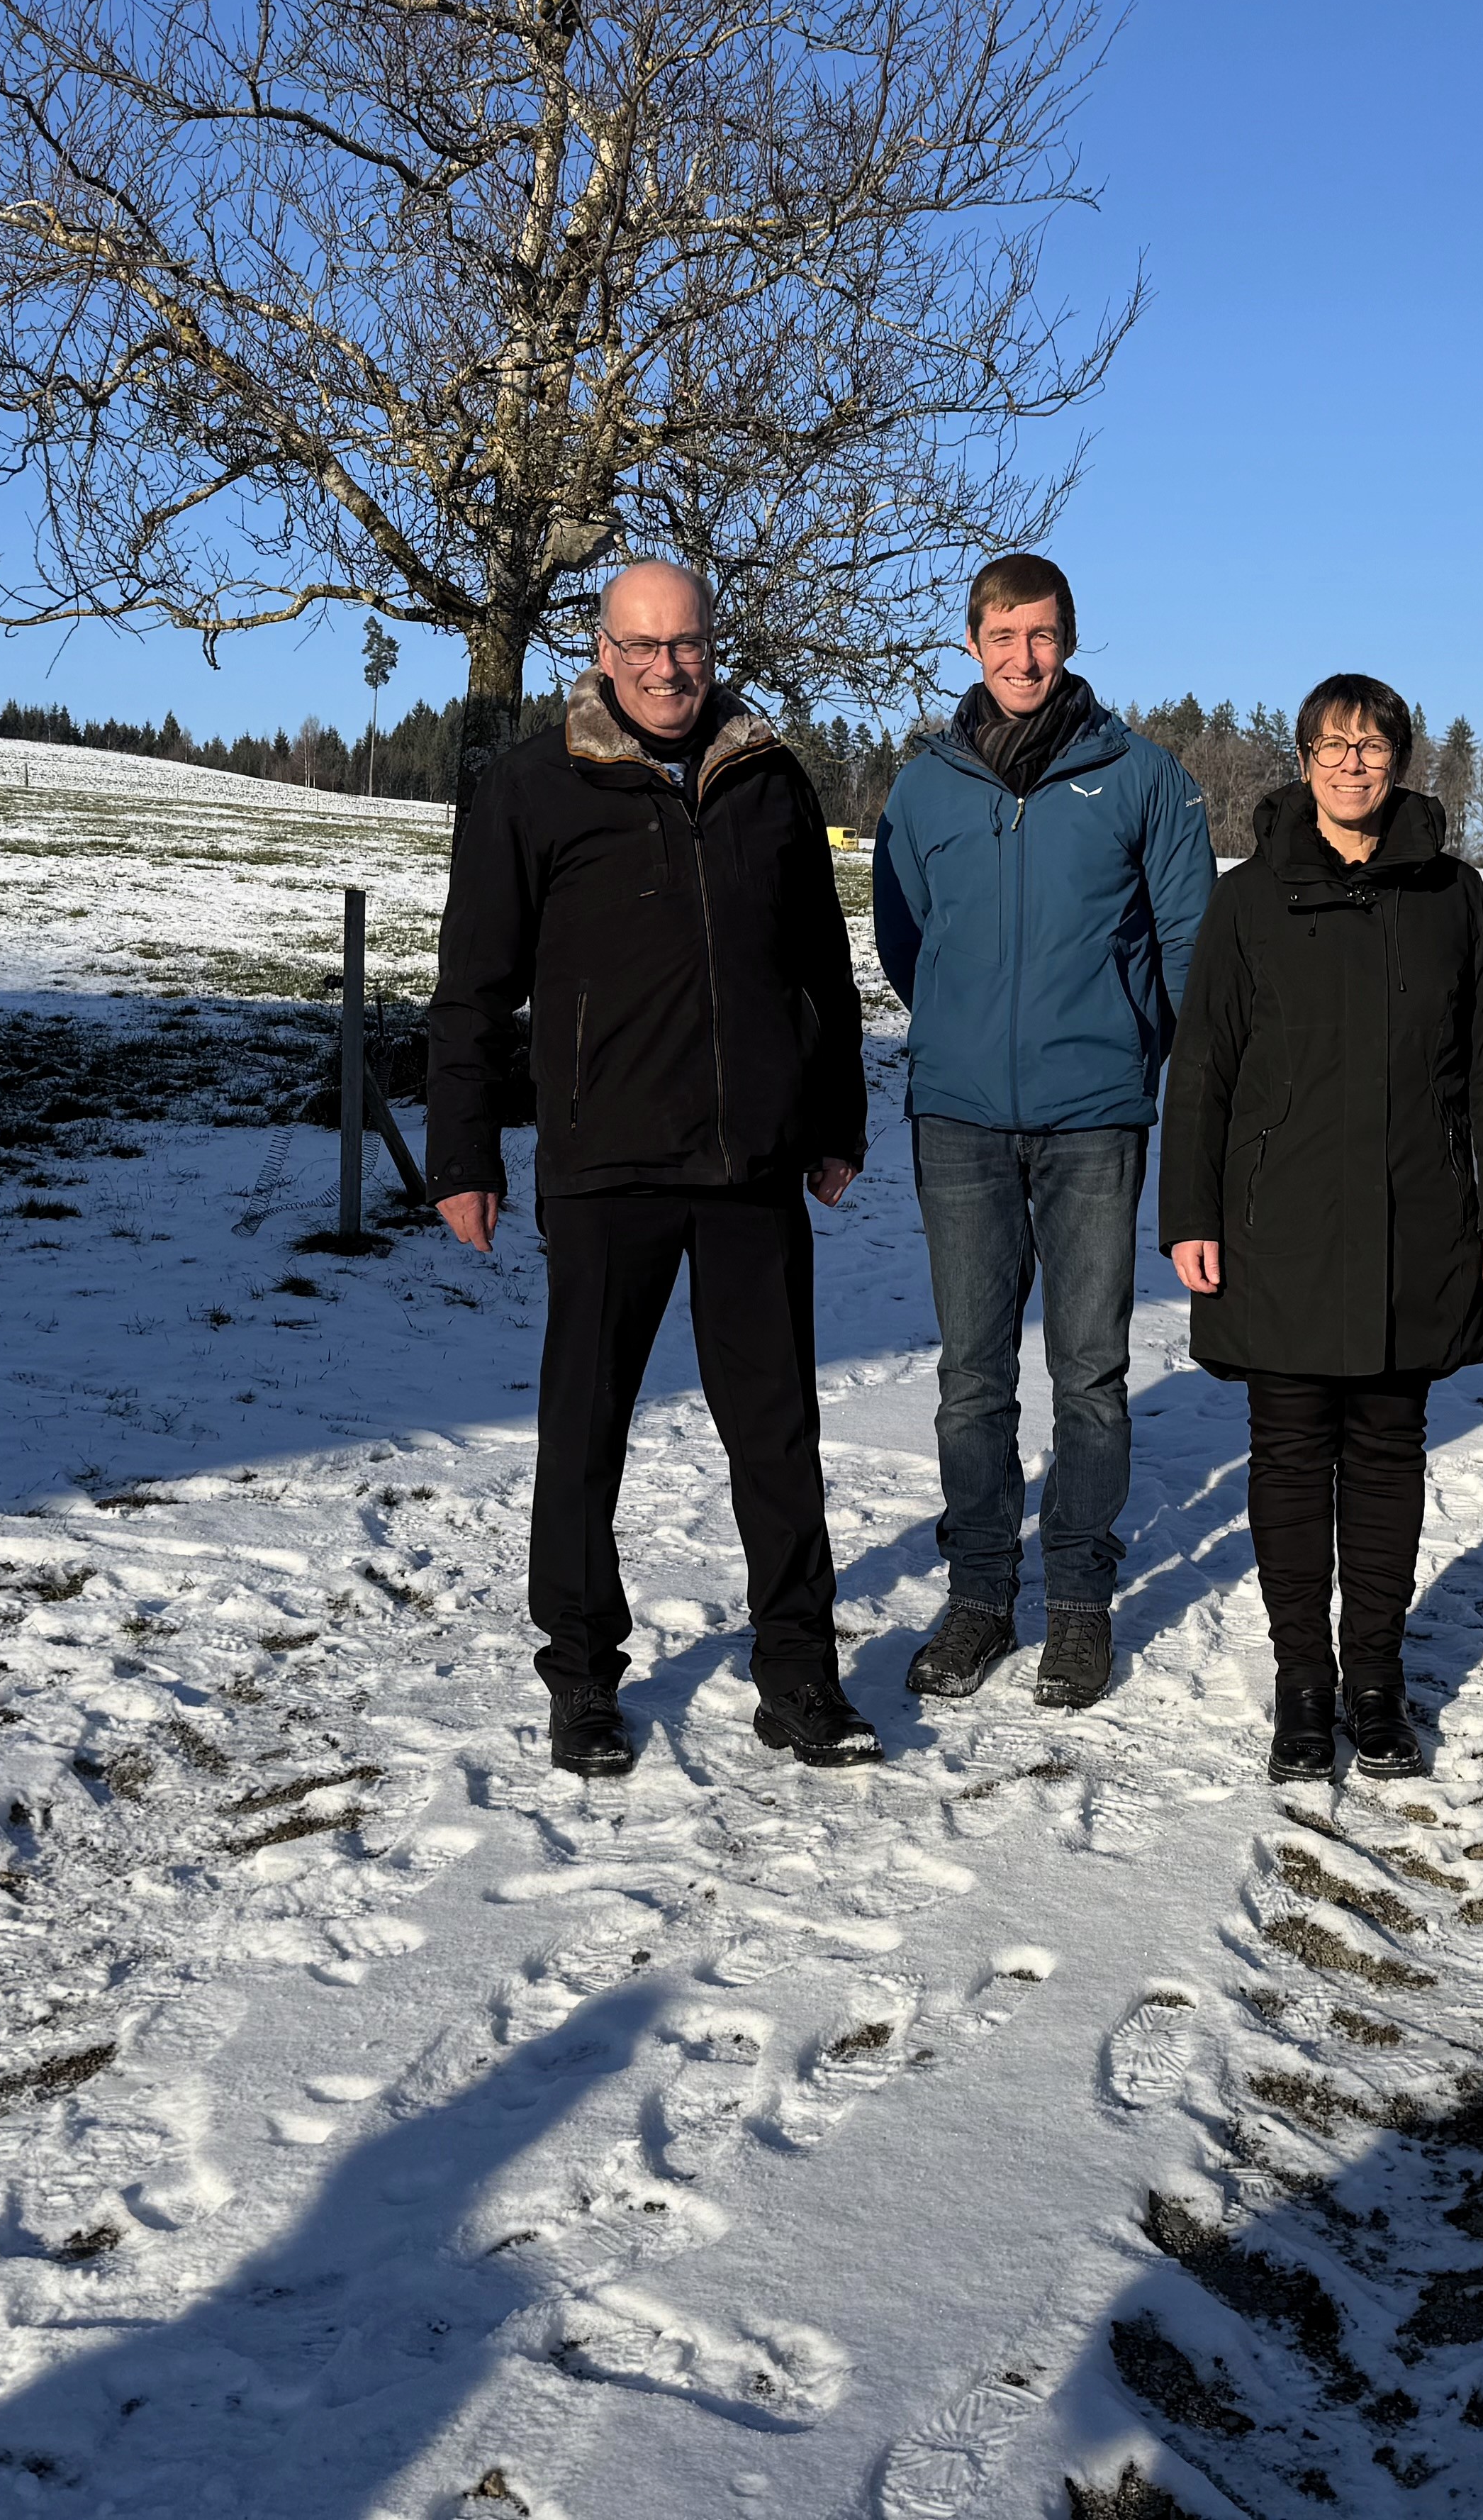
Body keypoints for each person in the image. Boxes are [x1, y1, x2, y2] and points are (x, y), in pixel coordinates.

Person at [427, 558, 879, 1778]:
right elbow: (472, 988)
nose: (669, 669)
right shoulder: (536, 785)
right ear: (602, 648)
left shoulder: (769, 778)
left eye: (687, 646)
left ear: (710, 643)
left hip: (751, 1168)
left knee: (777, 1436)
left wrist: (837, 1116)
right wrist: (461, 1153)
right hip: (606, 1162)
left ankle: (799, 1678)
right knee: (587, 1434)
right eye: (643, 648)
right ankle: (581, 1678)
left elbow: (821, 972)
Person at [1160, 674, 1483, 1783]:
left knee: (1384, 1459)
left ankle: (1375, 1680)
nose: (1350, 766)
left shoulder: (1449, 897)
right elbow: (1204, 1071)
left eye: (1371, 748)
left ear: (1400, 761)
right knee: (1286, 1458)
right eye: (1331, 747)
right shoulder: (1249, 900)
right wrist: (1191, 1213)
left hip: (1416, 1220)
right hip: (1276, 1224)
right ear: (1304, 758)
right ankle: (1302, 1687)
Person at [873, 552, 1216, 1709]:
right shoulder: (923, 789)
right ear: (972, 643)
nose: (1025, 658)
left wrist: (1116, 1050)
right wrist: (971, 1036)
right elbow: (905, 945)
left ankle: (1077, 1599)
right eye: (1004, 636)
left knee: (1092, 1374)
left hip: (1092, 1120)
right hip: (959, 1120)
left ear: (1071, 640)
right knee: (972, 1375)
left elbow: (1186, 952)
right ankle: (979, 1594)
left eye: (1046, 636)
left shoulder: (1141, 777)